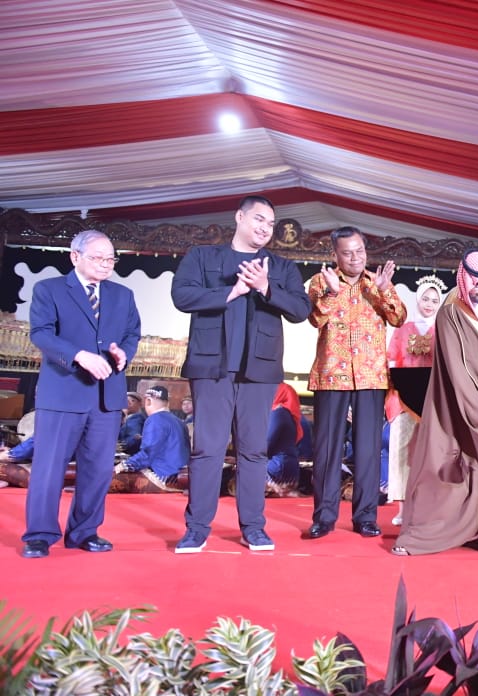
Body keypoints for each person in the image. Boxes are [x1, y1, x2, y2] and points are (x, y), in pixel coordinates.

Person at [170, 195, 311, 554]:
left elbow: (299, 309)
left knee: (253, 451)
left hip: (259, 371)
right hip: (211, 366)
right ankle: (196, 529)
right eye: (258, 220)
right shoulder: (202, 257)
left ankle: (253, 527)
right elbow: (181, 295)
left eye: (270, 224)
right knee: (207, 450)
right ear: (239, 217)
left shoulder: (280, 267)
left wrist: (266, 287)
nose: (265, 228)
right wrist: (230, 291)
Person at [21, 229, 141, 559]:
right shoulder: (50, 290)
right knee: (49, 466)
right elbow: (42, 334)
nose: (106, 264)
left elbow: (132, 334)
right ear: (75, 256)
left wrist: (123, 355)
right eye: (98, 258)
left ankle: (85, 531)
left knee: (98, 468)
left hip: (106, 396)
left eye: (111, 259)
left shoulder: (123, 295)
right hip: (63, 393)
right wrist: (78, 355)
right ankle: (39, 534)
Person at [392, 249, 478, 556]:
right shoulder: (450, 313)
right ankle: (424, 534)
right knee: (446, 462)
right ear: (464, 279)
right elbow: (459, 368)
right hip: (458, 401)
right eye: (477, 283)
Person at [305, 226, 405, 540]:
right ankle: (324, 516)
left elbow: (399, 317)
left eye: (359, 251)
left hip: (370, 376)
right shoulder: (321, 281)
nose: (355, 258)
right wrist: (332, 293)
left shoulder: (377, 282)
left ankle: (365, 517)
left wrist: (385, 290)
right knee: (327, 450)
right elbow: (315, 319)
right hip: (331, 375)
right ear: (335, 255)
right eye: (347, 253)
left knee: (368, 450)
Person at [386, 274, 446, 526]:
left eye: (434, 300)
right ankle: (402, 508)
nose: (429, 304)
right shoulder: (403, 329)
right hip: (404, 399)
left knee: (432, 454)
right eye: (425, 298)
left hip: (432, 399)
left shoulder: (443, 332)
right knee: (401, 452)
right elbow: (391, 361)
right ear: (417, 299)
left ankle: (428, 507)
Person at [116, 386, 190, 481]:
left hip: (162, 477)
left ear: (148, 401)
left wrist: (122, 466)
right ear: (167, 403)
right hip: (180, 476)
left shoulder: (155, 419)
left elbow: (148, 453)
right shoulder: (179, 422)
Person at [266, 382, 302, 496]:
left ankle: (273, 486)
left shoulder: (278, 413)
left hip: (277, 468)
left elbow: (267, 444)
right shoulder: (291, 416)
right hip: (289, 469)